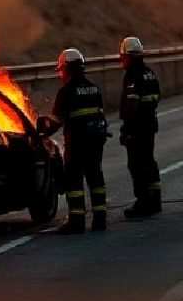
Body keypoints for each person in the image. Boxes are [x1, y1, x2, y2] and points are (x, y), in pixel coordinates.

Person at [45, 48, 109, 233]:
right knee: (95, 177)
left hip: (78, 142)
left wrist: (42, 131)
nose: (60, 74)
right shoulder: (93, 88)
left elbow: (56, 121)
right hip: (96, 140)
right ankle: (100, 220)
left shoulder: (66, 91)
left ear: (67, 69)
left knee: (74, 181)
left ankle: (77, 221)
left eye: (61, 70)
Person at [118, 36, 162, 218]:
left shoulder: (132, 75)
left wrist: (127, 130)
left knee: (136, 164)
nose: (121, 60)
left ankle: (143, 202)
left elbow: (131, 106)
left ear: (128, 56)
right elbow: (156, 97)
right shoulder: (149, 73)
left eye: (122, 56)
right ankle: (155, 199)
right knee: (149, 161)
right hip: (150, 124)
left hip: (138, 127)